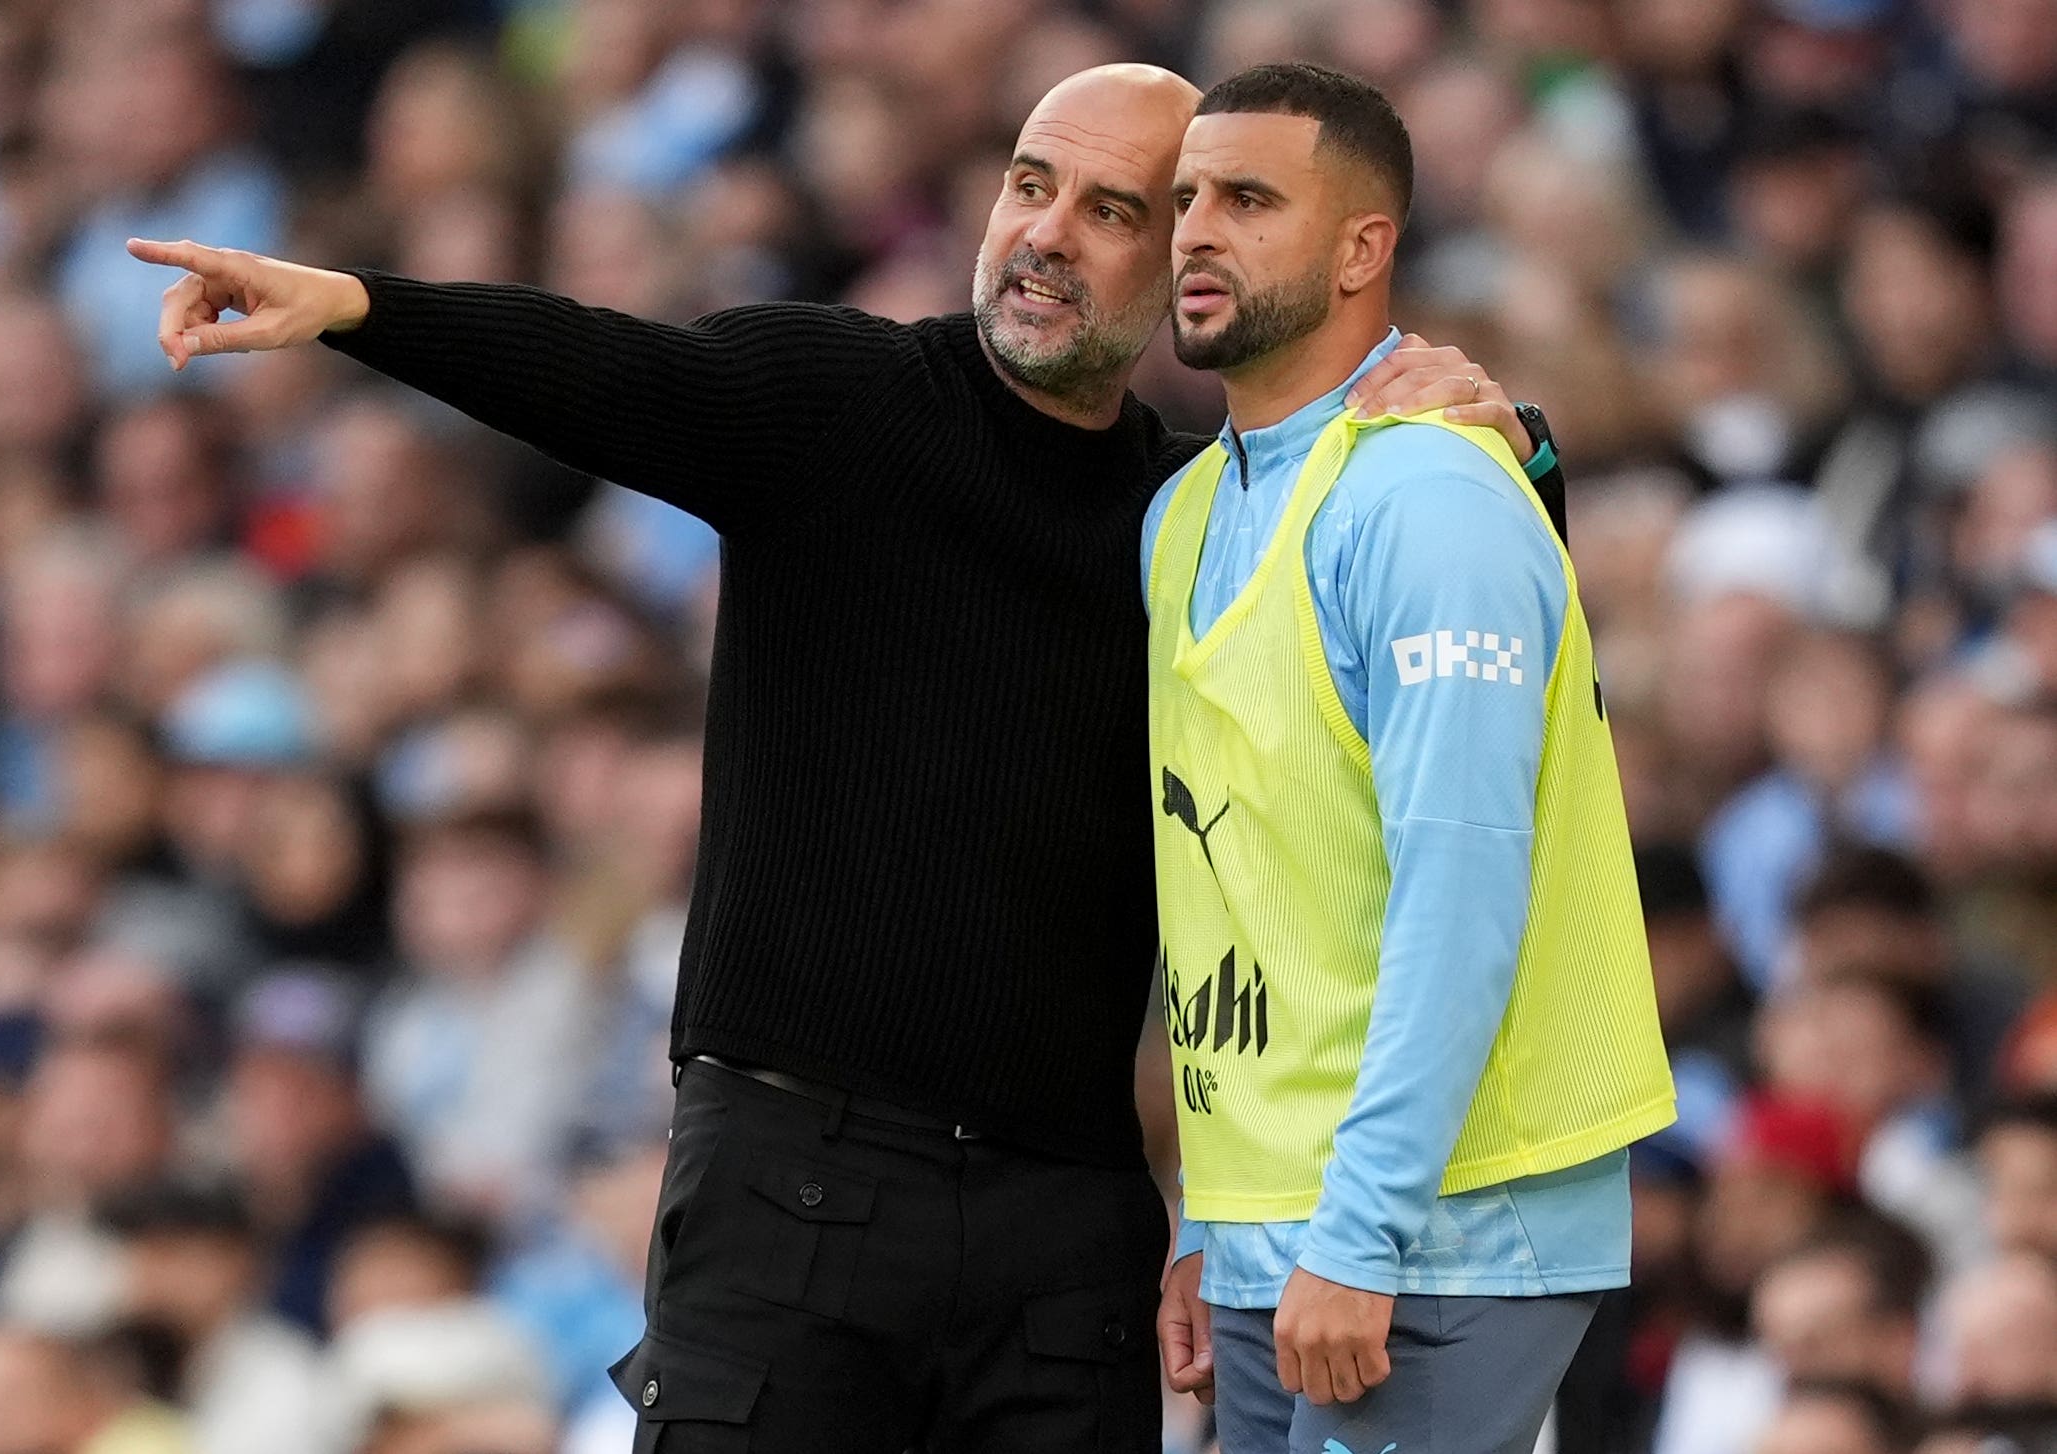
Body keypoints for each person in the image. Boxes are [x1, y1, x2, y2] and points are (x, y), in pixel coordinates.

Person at [127, 63, 1559, 1451]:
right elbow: (607, 365)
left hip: (1067, 1230)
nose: (1047, 233)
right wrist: (359, 309)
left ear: (1185, 260)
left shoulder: (1200, 518)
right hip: (788, 1188)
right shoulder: (836, 398)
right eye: (1026, 184)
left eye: (1114, 210)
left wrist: (1516, 458)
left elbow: (1396, 675)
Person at [1142, 64, 1673, 1454]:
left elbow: (1463, 887)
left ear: (1362, 247)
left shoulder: (1431, 494)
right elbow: (1242, 896)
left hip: (1439, 1225)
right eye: (1186, 195)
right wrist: (1219, 1216)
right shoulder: (1184, 510)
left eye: (1248, 199)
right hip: (1286, 1219)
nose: (1194, 228)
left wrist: (1356, 1230)